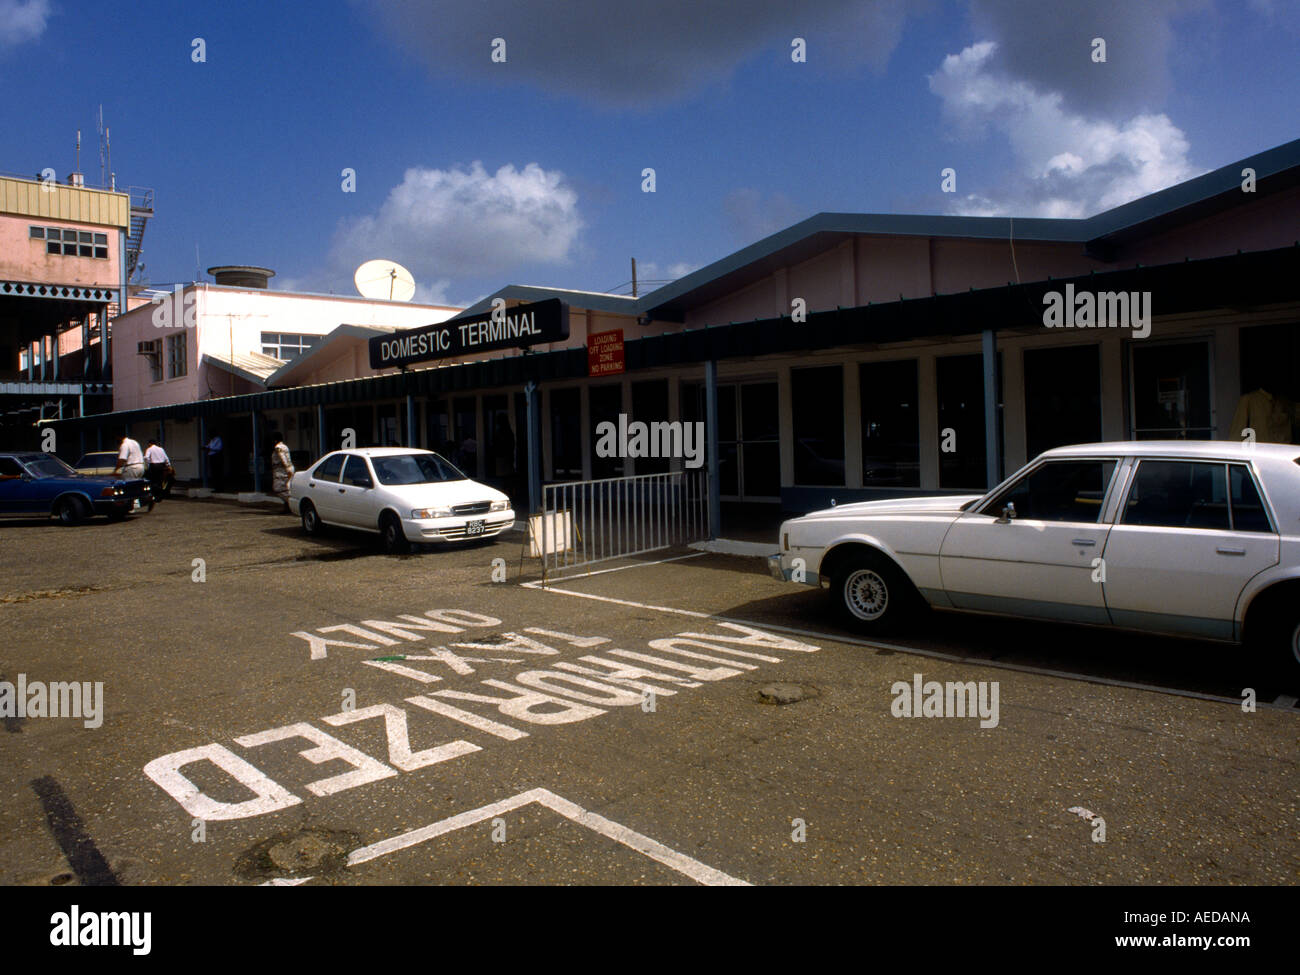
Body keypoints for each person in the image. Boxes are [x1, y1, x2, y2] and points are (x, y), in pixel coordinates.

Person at [270, 436, 295, 512]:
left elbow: (282, 457)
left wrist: (286, 467)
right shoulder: (285, 446)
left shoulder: (278, 447)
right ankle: (287, 506)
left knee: (278, 489)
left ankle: (290, 502)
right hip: (288, 468)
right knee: (286, 488)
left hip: (282, 469)